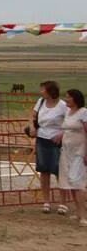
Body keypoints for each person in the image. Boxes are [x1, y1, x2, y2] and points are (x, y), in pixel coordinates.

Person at [28, 80, 68, 214]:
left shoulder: (63, 106)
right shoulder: (40, 102)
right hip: (42, 139)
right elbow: (33, 116)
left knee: (59, 171)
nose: (41, 91)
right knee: (44, 170)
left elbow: (70, 122)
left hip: (57, 141)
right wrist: (32, 127)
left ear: (50, 91)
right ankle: (46, 201)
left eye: (43, 89)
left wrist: (62, 134)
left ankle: (63, 202)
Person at [57, 88, 87, 226]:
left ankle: (84, 216)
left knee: (77, 182)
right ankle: (79, 213)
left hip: (79, 152)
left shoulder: (83, 112)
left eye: (68, 97)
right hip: (67, 152)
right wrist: (60, 136)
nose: (66, 99)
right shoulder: (68, 112)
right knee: (71, 183)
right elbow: (67, 129)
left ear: (75, 98)